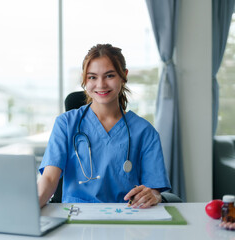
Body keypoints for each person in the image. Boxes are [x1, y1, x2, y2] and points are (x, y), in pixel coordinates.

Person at [37, 44, 171, 208]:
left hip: (125, 220)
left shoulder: (145, 132)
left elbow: (154, 189)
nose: (101, 84)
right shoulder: (65, 124)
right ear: (84, 79)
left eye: (109, 76)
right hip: (76, 217)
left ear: (124, 76)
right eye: (92, 77)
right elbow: (49, 180)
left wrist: (154, 196)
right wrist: (30, 208)